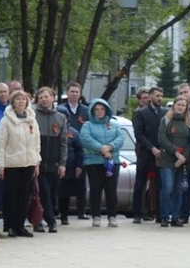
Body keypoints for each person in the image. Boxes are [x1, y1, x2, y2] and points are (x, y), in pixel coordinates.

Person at [0, 90, 41, 237]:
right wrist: (1, 165)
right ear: (13, 102)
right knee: (11, 196)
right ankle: (9, 225)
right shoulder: (6, 121)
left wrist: (37, 162)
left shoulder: (32, 120)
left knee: (24, 196)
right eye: (18, 99)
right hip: (12, 164)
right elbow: (1, 145)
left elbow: (36, 143)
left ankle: (20, 225)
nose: (21, 101)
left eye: (24, 99)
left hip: (28, 163)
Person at [77, 98, 126, 227]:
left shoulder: (114, 124)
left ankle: (112, 217)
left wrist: (110, 147)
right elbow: (86, 139)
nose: (99, 112)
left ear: (107, 110)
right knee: (95, 189)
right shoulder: (87, 125)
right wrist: (101, 148)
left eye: (102, 109)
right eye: (96, 109)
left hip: (112, 161)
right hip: (93, 162)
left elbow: (120, 138)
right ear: (92, 111)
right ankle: (96, 216)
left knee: (111, 190)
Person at [33, 87, 67, 233]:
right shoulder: (33, 115)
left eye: (46, 97)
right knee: (42, 192)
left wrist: (62, 163)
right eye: (41, 97)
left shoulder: (60, 117)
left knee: (51, 194)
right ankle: (49, 220)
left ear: (53, 98)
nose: (44, 100)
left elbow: (63, 142)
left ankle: (43, 219)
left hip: (53, 163)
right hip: (38, 163)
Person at [157, 95, 190, 227]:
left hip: (182, 161)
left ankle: (175, 216)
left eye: (183, 105)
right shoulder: (166, 120)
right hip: (167, 159)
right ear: (174, 106)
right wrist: (176, 152)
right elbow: (161, 138)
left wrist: (184, 157)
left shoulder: (188, 122)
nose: (181, 107)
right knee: (167, 188)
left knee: (179, 189)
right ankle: (164, 217)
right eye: (179, 105)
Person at [131, 86, 165, 223]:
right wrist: (151, 148)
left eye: (161, 95)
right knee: (140, 183)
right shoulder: (141, 113)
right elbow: (138, 134)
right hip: (145, 152)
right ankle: (138, 213)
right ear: (150, 97)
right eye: (157, 95)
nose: (160, 98)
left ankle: (158, 213)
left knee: (159, 184)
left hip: (162, 153)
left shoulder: (165, 112)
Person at [57, 82, 89, 220]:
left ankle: (81, 212)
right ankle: (61, 213)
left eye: (77, 91)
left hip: (80, 151)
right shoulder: (60, 109)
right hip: (64, 151)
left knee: (81, 183)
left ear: (80, 93)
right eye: (72, 91)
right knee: (62, 185)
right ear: (67, 92)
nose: (74, 94)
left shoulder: (86, 111)